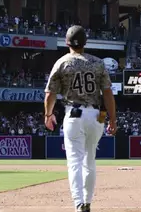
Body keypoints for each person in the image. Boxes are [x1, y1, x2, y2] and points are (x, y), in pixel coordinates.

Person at [44, 25, 117, 212]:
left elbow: (50, 94)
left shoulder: (62, 63)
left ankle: (78, 203)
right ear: (85, 42)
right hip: (95, 116)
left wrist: (48, 115)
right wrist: (113, 120)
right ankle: (88, 201)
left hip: (73, 115)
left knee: (74, 161)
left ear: (67, 42)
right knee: (89, 160)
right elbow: (108, 94)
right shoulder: (98, 63)